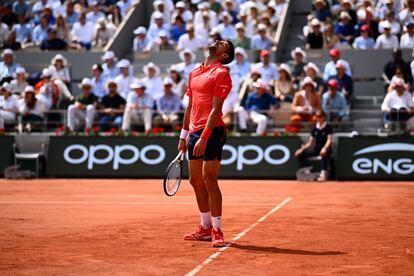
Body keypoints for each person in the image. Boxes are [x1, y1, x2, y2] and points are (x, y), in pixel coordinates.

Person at [178, 39, 234, 247]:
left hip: (213, 132)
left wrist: (204, 136)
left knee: (209, 179)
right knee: (195, 181)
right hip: (193, 132)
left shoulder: (221, 73)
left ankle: (217, 230)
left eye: (223, 44)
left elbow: (216, 109)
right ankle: (205, 227)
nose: (217, 42)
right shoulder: (194, 72)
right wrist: (184, 136)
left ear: (224, 55)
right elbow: (190, 106)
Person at [295, 110, 333, 181]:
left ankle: (323, 173)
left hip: (326, 149)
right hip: (316, 149)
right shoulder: (314, 128)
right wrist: (301, 149)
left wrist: (324, 148)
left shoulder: (328, 127)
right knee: (300, 154)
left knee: (323, 154)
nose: (318, 118)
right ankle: (307, 170)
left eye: (320, 117)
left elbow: (329, 140)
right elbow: (310, 142)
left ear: (323, 117)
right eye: (317, 117)